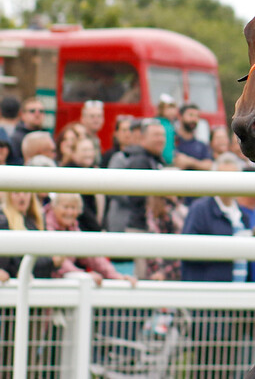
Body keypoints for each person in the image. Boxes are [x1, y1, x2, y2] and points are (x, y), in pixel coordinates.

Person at [104, 118, 166, 276]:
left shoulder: (152, 159)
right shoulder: (139, 160)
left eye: (162, 135)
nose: (160, 139)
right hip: (137, 226)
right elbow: (132, 196)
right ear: (143, 138)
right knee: (142, 275)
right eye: (156, 135)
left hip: (140, 226)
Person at [181, 152, 251, 282]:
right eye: (224, 177)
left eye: (233, 178)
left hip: (238, 292)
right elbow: (188, 251)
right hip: (210, 293)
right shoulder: (200, 210)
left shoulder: (243, 216)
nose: (229, 183)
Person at [44, 193, 136, 286]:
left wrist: (116, 276)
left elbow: (91, 256)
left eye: (73, 208)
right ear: (54, 207)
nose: (70, 212)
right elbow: (58, 261)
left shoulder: (73, 228)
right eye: (66, 207)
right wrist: (83, 275)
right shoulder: (46, 225)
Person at [0, 191, 61, 280]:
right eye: (16, 193)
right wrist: (52, 262)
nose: (21, 196)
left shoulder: (34, 222)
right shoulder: (3, 222)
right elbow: (16, 264)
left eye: (25, 192)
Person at [62, 136, 105, 231]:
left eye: (91, 150)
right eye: (84, 150)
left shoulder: (94, 172)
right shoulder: (70, 172)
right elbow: (83, 208)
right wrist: (97, 229)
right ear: (73, 153)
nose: (88, 154)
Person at [143, 195, 187, 281]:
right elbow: (154, 243)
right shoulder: (158, 209)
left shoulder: (178, 206)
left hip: (178, 263)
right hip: (164, 268)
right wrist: (160, 271)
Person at [173, 103, 212, 171]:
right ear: (180, 117)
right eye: (190, 115)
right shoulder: (171, 141)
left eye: (197, 116)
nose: (194, 119)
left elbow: (209, 165)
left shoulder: (201, 145)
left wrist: (189, 162)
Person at [9, 97, 45, 165]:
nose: (37, 114)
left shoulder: (47, 136)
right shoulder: (15, 139)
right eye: (32, 111)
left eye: (41, 111)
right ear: (22, 114)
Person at [155, 94, 179, 165]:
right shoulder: (164, 125)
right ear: (161, 109)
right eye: (169, 108)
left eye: (173, 108)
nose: (172, 111)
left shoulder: (170, 125)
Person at [80, 100, 105, 164]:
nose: (96, 120)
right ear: (83, 119)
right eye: (92, 116)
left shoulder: (97, 140)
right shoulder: (79, 138)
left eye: (99, 116)